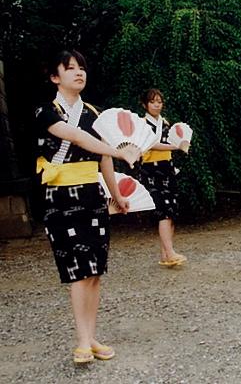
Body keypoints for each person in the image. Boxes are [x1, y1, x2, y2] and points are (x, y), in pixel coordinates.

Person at [35, 50, 140, 364]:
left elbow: (102, 158)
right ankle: (82, 340)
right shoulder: (44, 110)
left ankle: (91, 336)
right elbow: (77, 137)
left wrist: (116, 194)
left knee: (94, 271)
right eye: (70, 69)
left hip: (92, 197)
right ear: (55, 77)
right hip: (60, 196)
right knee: (78, 271)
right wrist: (120, 151)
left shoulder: (95, 113)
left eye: (82, 67)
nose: (79, 72)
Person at [139, 89, 187, 267]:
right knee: (163, 211)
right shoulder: (141, 124)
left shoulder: (166, 123)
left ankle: (166, 253)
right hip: (150, 170)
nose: (157, 104)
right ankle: (170, 252)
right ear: (145, 104)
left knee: (171, 211)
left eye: (159, 101)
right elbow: (151, 144)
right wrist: (175, 146)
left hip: (167, 168)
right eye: (153, 102)